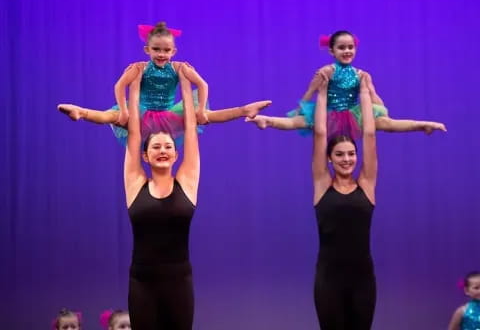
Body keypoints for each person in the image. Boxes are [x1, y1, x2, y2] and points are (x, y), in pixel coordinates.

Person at [58, 22, 271, 145]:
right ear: (147, 50)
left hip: (169, 113)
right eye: (156, 49)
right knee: (112, 116)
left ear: (174, 51)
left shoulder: (179, 67)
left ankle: (245, 109)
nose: (161, 54)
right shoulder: (139, 68)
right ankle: (81, 112)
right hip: (142, 112)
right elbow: (119, 86)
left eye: (166, 50)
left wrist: (201, 111)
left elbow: (203, 85)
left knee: (208, 117)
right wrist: (123, 110)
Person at [247, 30, 446, 138]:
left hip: (353, 113)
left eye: (350, 47)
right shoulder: (326, 71)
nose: (347, 51)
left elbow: (378, 102)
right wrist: (305, 100)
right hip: (329, 113)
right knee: (297, 122)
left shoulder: (361, 75)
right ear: (332, 51)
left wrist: (376, 103)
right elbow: (308, 96)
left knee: (386, 124)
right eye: (342, 48)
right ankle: (267, 120)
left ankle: (423, 125)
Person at [124, 64, 198, 329]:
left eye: (168, 146)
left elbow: (190, 130)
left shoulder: (187, 182)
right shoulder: (135, 184)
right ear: (146, 156)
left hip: (179, 282)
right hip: (142, 283)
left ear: (176, 154)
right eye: (156, 146)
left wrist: (185, 85)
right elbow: (134, 133)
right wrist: (135, 87)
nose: (163, 150)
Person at [311, 73, 377, 329]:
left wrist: (364, 93)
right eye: (339, 154)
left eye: (351, 154)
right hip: (329, 279)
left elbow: (369, 135)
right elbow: (319, 134)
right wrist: (323, 92)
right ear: (330, 158)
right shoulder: (322, 186)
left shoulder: (367, 185)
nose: (347, 159)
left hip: (363, 279)